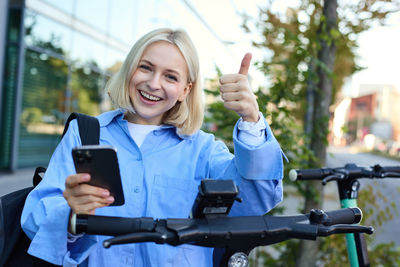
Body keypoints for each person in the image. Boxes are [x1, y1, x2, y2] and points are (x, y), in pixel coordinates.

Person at [21, 28, 285, 267]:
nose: (154, 83)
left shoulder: (203, 150)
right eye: (145, 68)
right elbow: (35, 217)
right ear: (130, 70)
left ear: (185, 90)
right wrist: (70, 214)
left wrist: (252, 121)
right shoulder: (86, 133)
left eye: (170, 76)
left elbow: (253, 201)